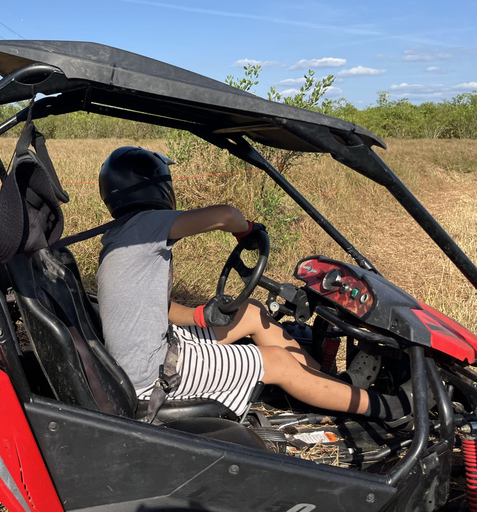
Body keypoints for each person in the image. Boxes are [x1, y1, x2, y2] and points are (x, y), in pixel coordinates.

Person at [96, 146, 408, 421]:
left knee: (252, 312)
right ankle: (389, 409)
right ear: (159, 187)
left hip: (154, 351)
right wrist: (244, 231)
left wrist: (199, 316)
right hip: (154, 375)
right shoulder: (145, 225)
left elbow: (154, 306)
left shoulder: (120, 237)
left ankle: (330, 386)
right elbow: (225, 215)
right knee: (278, 362)